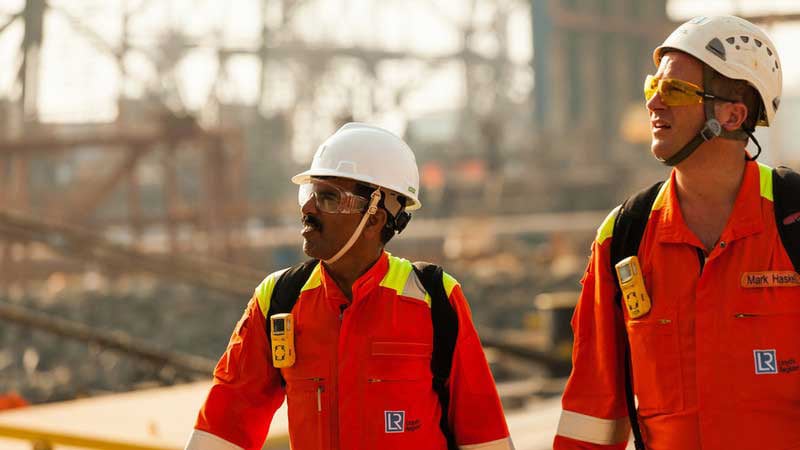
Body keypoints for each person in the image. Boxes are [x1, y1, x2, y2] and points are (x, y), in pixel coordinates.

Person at [185, 123, 514, 450]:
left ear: (375, 217)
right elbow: (222, 431)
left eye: (327, 198)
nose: (307, 209)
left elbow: (484, 436)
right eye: (309, 194)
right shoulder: (278, 300)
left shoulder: (434, 301)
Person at [554, 16, 800, 450]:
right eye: (653, 87)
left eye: (673, 91)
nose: (653, 103)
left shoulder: (793, 220)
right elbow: (590, 415)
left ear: (731, 114)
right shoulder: (623, 238)